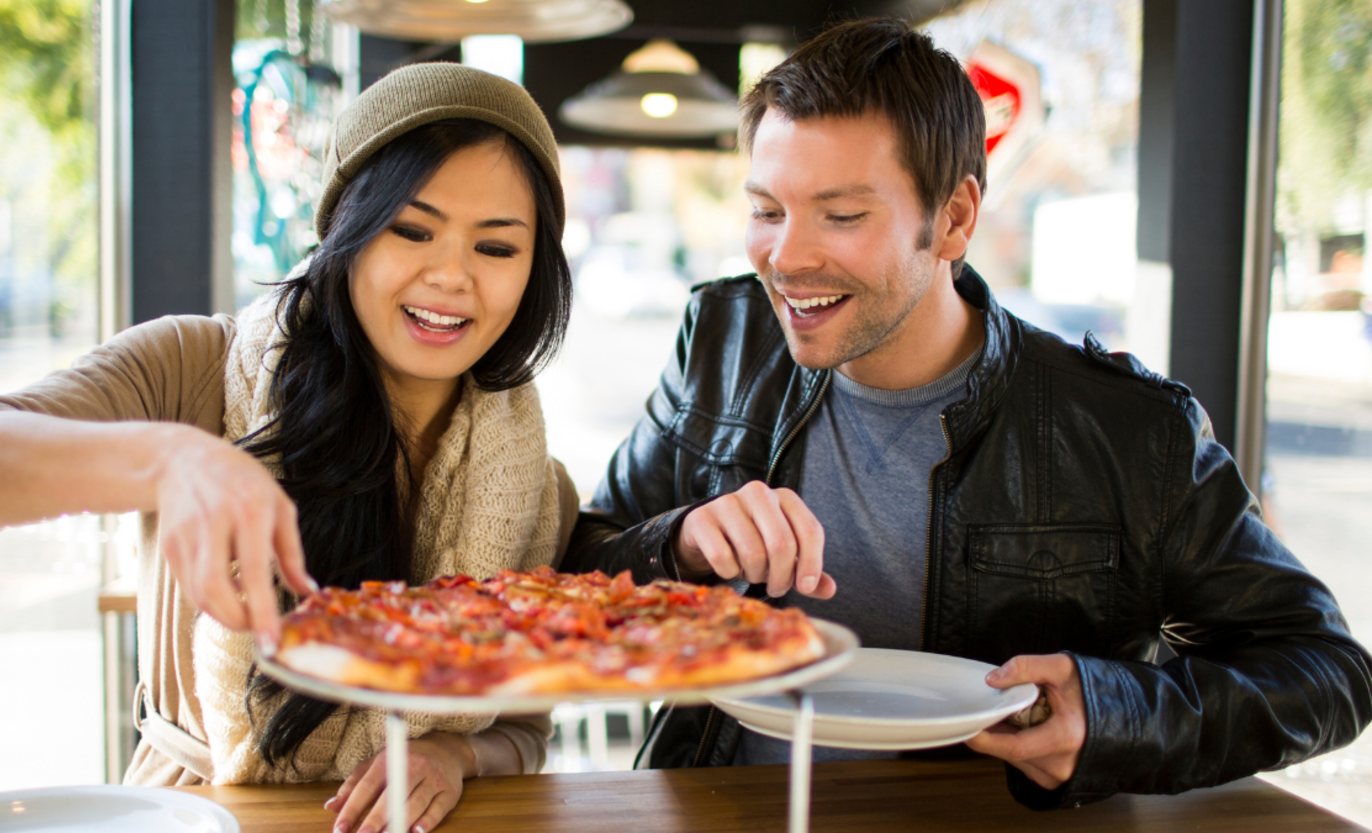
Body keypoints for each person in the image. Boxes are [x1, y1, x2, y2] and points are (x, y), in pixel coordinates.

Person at [563, 18, 1372, 809]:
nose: (787, 257)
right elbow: (575, 572)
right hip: (733, 805)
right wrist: (683, 541)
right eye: (768, 210)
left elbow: (1326, 670)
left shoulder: (1130, 430)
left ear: (953, 219)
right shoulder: (724, 339)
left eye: (842, 216)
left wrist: (1116, 714)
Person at [0, 63, 577, 833]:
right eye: (411, 230)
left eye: (496, 248)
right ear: (344, 227)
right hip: (190, 816)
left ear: (535, 270)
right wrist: (168, 460)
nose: (451, 276)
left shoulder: (536, 482)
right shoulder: (196, 369)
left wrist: (454, 752)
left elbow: (523, 725)